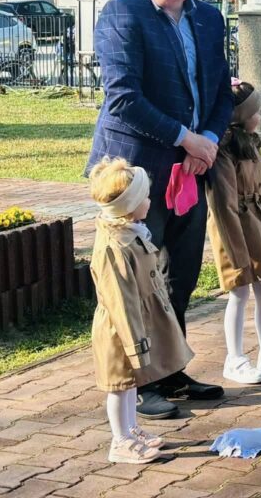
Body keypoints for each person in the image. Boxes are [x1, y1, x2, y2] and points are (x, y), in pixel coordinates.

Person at [87, 0, 232, 420]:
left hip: (190, 170)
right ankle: (139, 382)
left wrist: (206, 139)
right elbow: (123, 97)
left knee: (180, 274)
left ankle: (170, 369)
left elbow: (220, 91)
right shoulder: (121, 15)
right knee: (135, 284)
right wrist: (185, 138)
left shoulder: (209, 19)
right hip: (134, 175)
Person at [88, 157, 192, 464]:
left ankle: (131, 428)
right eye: (145, 196)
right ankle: (119, 440)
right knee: (119, 385)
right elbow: (122, 301)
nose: (150, 200)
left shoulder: (130, 233)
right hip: (120, 330)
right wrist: (135, 341)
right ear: (130, 205)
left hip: (135, 322)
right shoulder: (114, 247)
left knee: (131, 383)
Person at [206, 80, 261, 385]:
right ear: (240, 116)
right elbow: (223, 204)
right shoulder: (223, 150)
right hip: (234, 226)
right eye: (255, 111)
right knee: (239, 290)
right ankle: (234, 357)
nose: (260, 115)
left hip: (256, 220)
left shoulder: (252, 142)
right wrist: (237, 252)